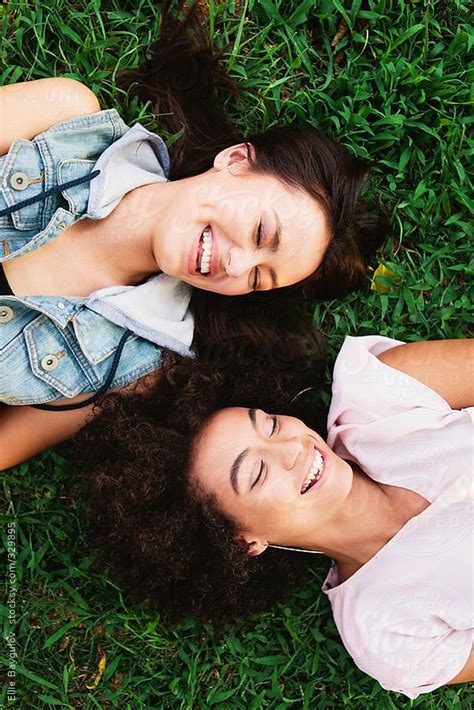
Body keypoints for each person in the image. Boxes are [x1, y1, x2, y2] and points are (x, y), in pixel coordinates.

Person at [75, 335, 473, 698]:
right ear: (243, 542)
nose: (292, 448)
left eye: (271, 424)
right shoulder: (388, 637)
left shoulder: (381, 393)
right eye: (257, 473)